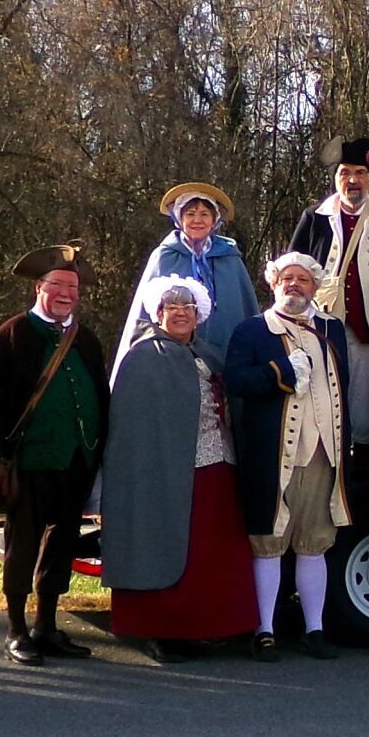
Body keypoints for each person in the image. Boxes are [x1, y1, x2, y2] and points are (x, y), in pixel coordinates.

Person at [101, 276, 256, 663]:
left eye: (188, 307)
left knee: (212, 554)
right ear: (158, 313)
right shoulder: (144, 357)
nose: (181, 313)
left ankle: (208, 627)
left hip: (218, 465)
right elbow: (133, 429)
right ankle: (161, 631)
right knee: (167, 548)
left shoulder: (210, 354)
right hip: (165, 474)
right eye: (172, 308)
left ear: (199, 314)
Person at [0, 244, 108, 666]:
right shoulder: (12, 334)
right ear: (39, 288)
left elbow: (101, 397)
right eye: (57, 285)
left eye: (72, 287)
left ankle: (46, 625)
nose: (66, 293)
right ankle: (16, 629)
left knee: (62, 544)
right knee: (23, 544)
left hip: (77, 459)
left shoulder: (85, 339)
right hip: (29, 462)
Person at [224, 252, 352, 661]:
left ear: (315, 287)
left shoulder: (333, 330)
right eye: (287, 279)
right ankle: (265, 630)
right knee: (268, 542)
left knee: (314, 542)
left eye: (303, 279)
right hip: (271, 455)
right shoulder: (252, 330)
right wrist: (279, 372)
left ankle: (315, 629)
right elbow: (237, 381)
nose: (294, 285)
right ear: (273, 284)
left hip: (321, 453)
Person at [286, 136, 369, 449]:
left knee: (363, 416)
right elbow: (292, 271)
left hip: (368, 335)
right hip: (317, 332)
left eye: (360, 173)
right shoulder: (314, 219)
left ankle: (358, 472)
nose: (353, 180)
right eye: (345, 173)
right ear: (335, 179)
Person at [114, 182, 259, 364]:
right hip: (170, 360)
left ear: (214, 221)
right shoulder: (164, 257)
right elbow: (144, 315)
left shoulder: (230, 259)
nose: (197, 220)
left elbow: (244, 311)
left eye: (204, 214)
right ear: (179, 219)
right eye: (190, 214)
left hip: (226, 356)